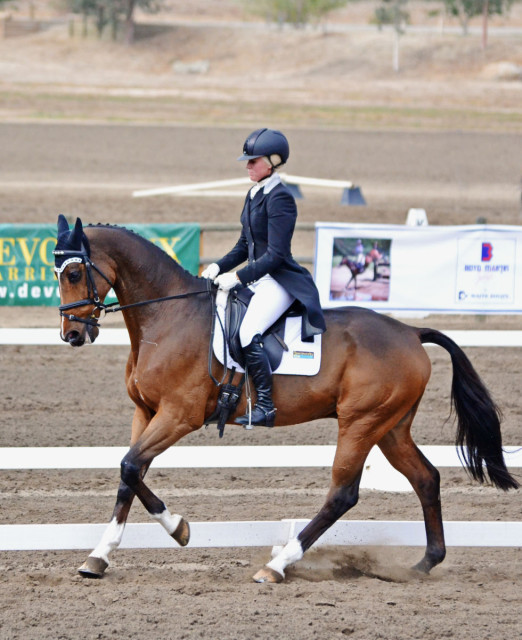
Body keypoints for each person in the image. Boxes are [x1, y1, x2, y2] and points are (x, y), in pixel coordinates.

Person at [201, 128, 326, 427]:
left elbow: (276, 255)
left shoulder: (280, 198)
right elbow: (245, 245)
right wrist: (218, 266)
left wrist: (240, 277)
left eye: (253, 161)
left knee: (247, 333)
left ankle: (266, 405)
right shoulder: (255, 193)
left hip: (279, 280)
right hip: (258, 277)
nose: (247, 166)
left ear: (271, 162)